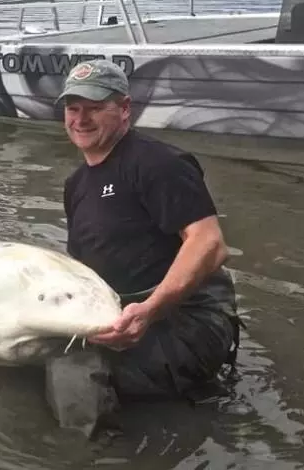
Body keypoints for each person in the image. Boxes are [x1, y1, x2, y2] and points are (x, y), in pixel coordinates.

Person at [57, 59, 242, 403]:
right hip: (122, 312)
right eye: (73, 108)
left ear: (125, 108)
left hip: (187, 319)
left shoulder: (159, 163)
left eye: (95, 108)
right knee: (34, 352)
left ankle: (99, 441)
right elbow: (80, 268)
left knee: (73, 374)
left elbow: (210, 243)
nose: (81, 119)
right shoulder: (76, 184)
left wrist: (151, 310)